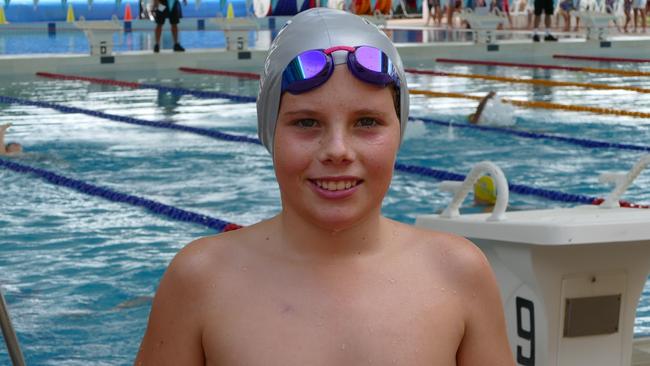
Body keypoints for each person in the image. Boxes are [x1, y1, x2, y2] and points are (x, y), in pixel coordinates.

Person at [134, 8, 514, 365]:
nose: (337, 150)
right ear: (270, 133)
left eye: (366, 122)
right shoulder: (201, 280)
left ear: (399, 132)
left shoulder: (457, 272)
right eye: (306, 123)